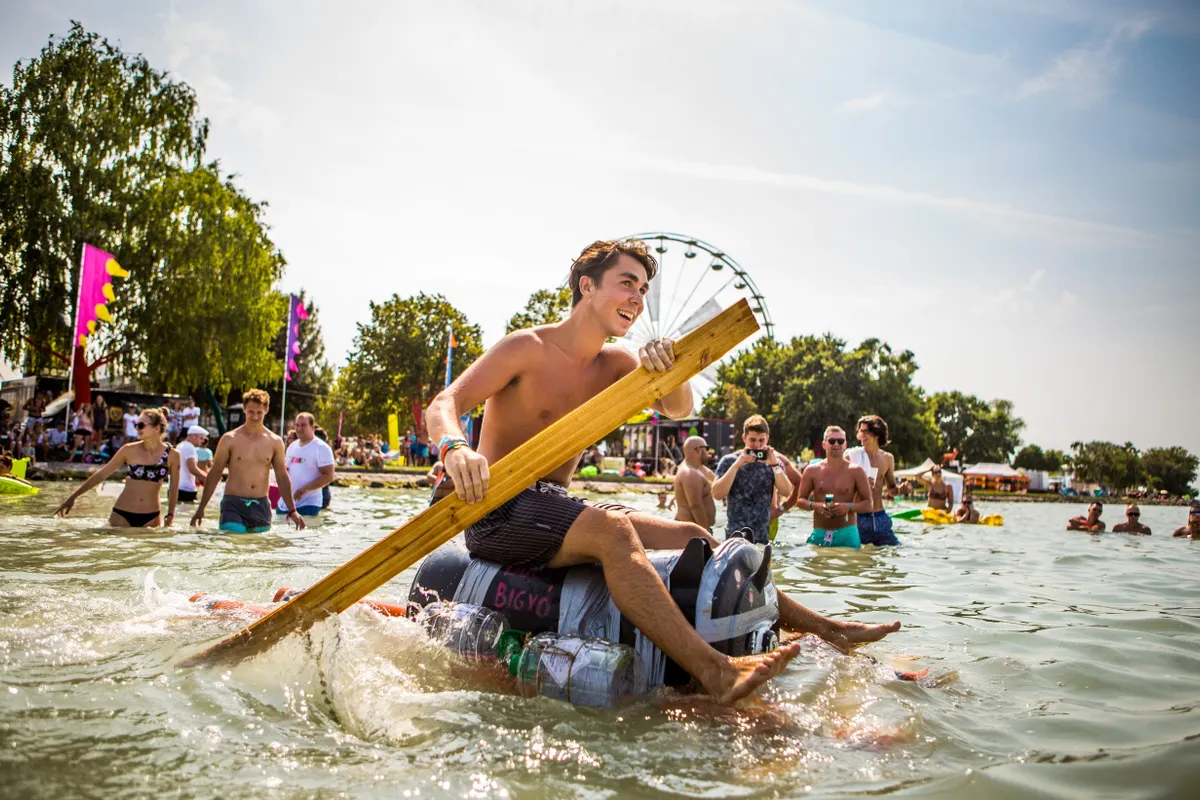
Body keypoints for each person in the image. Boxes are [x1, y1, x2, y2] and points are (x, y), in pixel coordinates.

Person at [426, 238, 899, 704]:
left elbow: (678, 407)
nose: (637, 298)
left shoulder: (616, 363)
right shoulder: (527, 347)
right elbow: (445, 403)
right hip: (496, 508)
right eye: (626, 283)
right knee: (613, 531)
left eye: (643, 289)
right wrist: (455, 448)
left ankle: (827, 630)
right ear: (586, 286)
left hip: (554, 505)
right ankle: (715, 671)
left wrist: (669, 366)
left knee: (695, 535)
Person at [190, 389, 305, 533]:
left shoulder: (275, 442)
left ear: (266, 410)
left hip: (260, 504)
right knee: (233, 538)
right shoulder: (229, 439)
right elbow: (215, 473)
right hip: (233, 504)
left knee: (257, 544)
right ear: (244, 409)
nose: (255, 416)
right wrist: (201, 508)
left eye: (259, 412)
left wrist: (292, 510)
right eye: (251, 412)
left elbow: (282, 476)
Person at [53, 408, 181, 527]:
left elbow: (174, 488)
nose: (137, 428)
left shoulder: (173, 455)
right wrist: (74, 496)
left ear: (156, 428)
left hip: (151, 517)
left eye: (141, 425)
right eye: (136, 425)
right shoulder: (128, 450)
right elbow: (102, 474)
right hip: (122, 514)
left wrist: (170, 515)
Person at [711, 415, 794, 544]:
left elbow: (786, 491)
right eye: (753, 440)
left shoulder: (774, 462)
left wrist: (774, 465)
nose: (757, 445)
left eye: (761, 440)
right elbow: (717, 494)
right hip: (734, 538)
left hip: (762, 539)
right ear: (744, 438)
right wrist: (736, 465)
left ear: (767, 438)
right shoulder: (729, 461)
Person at [795, 427, 873, 548]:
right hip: (820, 532)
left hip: (847, 534)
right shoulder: (812, 470)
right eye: (832, 441)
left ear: (845, 444)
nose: (836, 444)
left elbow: (868, 505)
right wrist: (816, 506)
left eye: (840, 441)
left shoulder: (856, 470)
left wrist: (848, 507)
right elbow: (800, 501)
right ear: (824, 444)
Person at [846, 414, 900, 546]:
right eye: (861, 431)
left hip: (880, 517)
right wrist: (859, 484)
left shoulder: (887, 458)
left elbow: (892, 490)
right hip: (859, 519)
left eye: (866, 432)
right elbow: (840, 488)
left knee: (896, 552)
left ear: (877, 434)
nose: (862, 435)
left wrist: (900, 490)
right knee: (857, 556)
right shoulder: (851, 457)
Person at [276, 412, 335, 517]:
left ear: (312, 427)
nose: (299, 428)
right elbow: (288, 470)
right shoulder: (292, 446)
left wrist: (304, 489)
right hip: (285, 504)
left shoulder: (321, 448)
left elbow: (328, 476)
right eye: (297, 425)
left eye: (303, 425)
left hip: (308, 504)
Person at [673, 435, 715, 531]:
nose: (708, 453)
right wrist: (706, 533)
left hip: (690, 529)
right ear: (698, 450)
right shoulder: (691, 473)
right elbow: (695, 506)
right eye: (706, 448)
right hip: (690, 530)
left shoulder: (690, 469)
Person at [175, 425, 210, 504]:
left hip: (175, 487)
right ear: (194, 436)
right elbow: (192, 469)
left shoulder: (179, 446)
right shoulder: (190, 448)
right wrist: (208, 478)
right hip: (186, 489)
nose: (202, 441)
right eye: (201, 438)